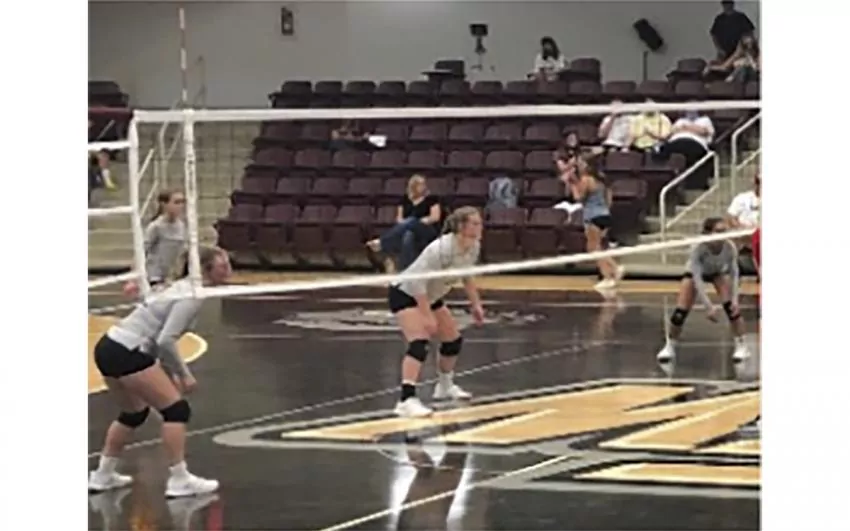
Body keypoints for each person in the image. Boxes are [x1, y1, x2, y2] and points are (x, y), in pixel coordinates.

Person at [88, 247, 232, 497]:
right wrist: (183, 373)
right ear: (204, 269)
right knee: (176, 410)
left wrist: (168, 371)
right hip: (127, 350)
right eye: (223, 266)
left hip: (109, 346)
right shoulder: (190, 295)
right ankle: (179, 479)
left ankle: (103, 474)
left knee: (133, 413)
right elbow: (166, 340)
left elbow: (156, 340)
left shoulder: (180, 288)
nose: (229, 270)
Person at [388, 206, 485, 418]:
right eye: (475, 223)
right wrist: (426, 315)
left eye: (480, 223)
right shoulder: (440, 249)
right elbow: (417, 283)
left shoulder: (473, 246)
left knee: (452, 341)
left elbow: (467, 275)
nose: (480, 227)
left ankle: (444, 386)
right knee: (419, 342)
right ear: (461, 226)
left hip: (430, 296)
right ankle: (406, 400)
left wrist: (475, 304)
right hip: (406, 293)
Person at [656, 217, 751, 363]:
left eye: (724, 231)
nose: (723, 235)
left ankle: (742, 345)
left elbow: (735, 272)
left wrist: (735, 300)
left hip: (718, 272)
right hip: (696, 274)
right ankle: (670, 346)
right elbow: (697, 279)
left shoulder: (729, 247)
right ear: (708, 233)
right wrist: (708, 306)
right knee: (680, 313)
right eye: (719, 231)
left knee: (731, 309)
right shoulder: (698, 248)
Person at [559, 152, 625, 290]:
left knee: (593, 248)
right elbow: (609, 199)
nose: (579, 165)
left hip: (592, 216)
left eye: (581, 163)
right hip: (604, 215)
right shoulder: (602, 180)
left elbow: (579, 198)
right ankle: (613, 270)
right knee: (598, 247)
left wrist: (571, 183)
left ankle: (610, 274)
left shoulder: (586, 179)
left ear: (587, 165)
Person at [367, 174, 441, 272]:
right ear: (413, 186)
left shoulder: (432, 199)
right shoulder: (404, 200)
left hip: (426, 229)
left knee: (412, 221)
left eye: (423, 184)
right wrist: (407, 223)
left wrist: (420, 221)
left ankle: (382, 242)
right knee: (408, 235)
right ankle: (406, 269)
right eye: (420, 185)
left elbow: (435, 217)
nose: (423, 187)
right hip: (409, 229)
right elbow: (399, 219)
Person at [123, 191, 188, 297]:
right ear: (164, 204)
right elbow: (142, 251)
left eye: (182, 202)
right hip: (153, 277)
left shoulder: (181, 226)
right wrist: (132, 278)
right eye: (176, 202)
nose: (180, 206)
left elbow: (182, 253)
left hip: (170, 278)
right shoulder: (156, 226)